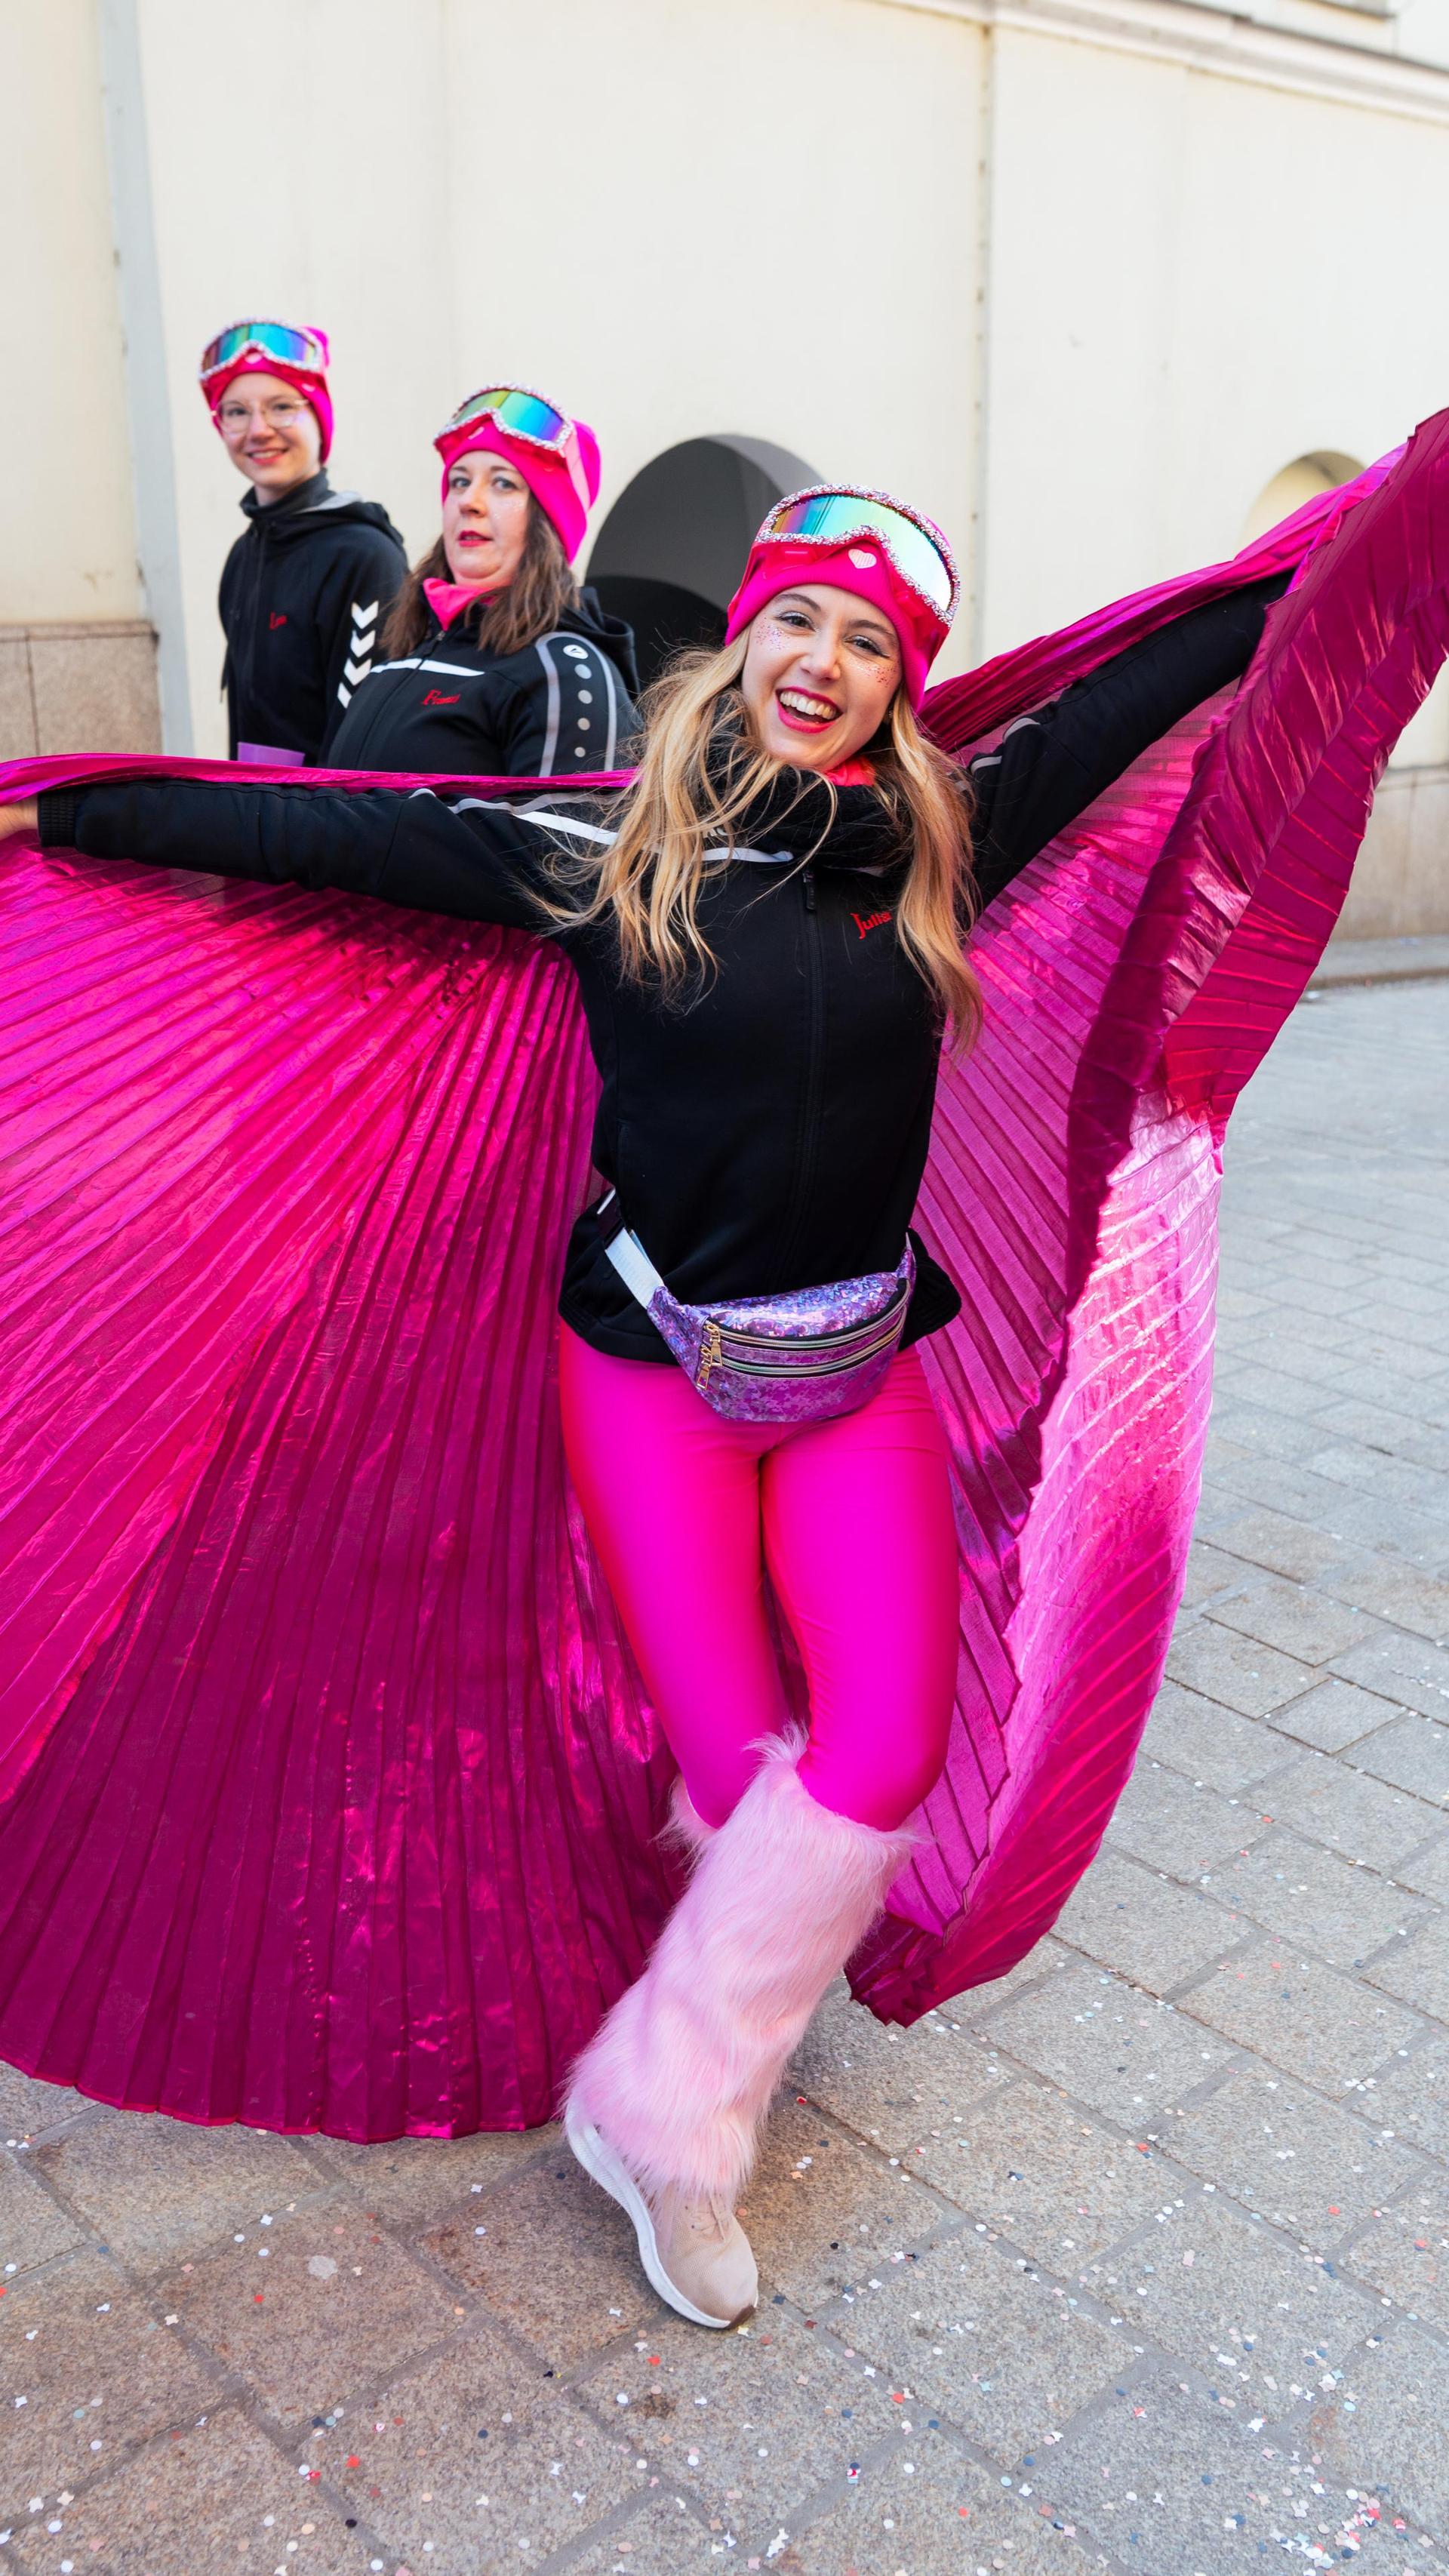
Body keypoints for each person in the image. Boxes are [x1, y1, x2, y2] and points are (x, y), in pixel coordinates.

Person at [0, 484, 1294, 2329]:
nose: (822, 663)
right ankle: (691, 2051)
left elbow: (1145, 677)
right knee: (722, 1761)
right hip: (654, 1391)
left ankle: (663, 2105)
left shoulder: (940, 845)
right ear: (744, 639)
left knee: (878, 1759)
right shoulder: (605, 850)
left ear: (898, 684)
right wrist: (63, 808)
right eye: (797, 624)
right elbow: (308, 828)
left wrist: (1360, 544)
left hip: (857, 1384)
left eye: (865, 643)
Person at [328, 383, 639, 775]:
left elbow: (568, 835)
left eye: (503, 483)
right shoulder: (393, 664)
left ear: (547, 524)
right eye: (459, 481)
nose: (468, 501)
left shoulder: (567, 670)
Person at [201, 319, 407, 765]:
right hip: (254, 822)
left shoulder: (364, 557)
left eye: (281, 407)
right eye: (237, 411)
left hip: (327, 828)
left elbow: (365, 751)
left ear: (319, 419)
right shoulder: (245, 553)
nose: (258, 430)